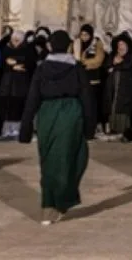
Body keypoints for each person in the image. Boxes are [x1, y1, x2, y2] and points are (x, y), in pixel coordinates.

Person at [19, 30, 96, 225]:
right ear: (69, 46)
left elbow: (32, 98)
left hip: (47, 112)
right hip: (71, 112)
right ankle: (62, 201)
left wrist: (25, 128)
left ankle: (48, 205)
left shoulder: (42, 68)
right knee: (72, 157)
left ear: (50, 46)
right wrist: (90, 128)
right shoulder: (76, 68)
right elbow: (87, 97)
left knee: (48, 159)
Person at [0, 29, 35, 139]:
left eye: (18, 40)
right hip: (7, 83)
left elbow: (30, 64)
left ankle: (17, 129)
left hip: (21, 83)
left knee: (19, 106)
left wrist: (15, 63)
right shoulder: (6, 49)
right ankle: (6, 129)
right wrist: (13, 66)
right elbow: (2, 63)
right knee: (7, 106)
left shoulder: (28, 49)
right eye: (14, 40)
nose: (15, 42)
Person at [103, 33, 132, 137]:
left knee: (123, 107)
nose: (121, 47)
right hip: (112, 87)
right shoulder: (112, 55)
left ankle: (123, 129)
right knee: (112, 106)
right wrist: (114, 64)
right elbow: (107, 66)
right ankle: (112, 127)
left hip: (125, 86)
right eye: (119, 45)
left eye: (123, 44)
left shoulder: (131, 55)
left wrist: (114, 67)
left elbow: (127, 65)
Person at [72, 24, 106, 130]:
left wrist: (83, 63)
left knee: (92, 104)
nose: (84, 37)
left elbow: (98, 60)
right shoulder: (76, 44)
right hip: (79, 80)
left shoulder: (96, 44)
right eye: (82, 34)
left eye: (86, 34)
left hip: (93, 80)